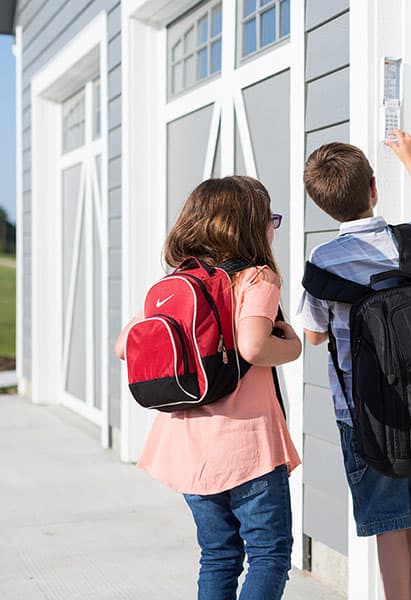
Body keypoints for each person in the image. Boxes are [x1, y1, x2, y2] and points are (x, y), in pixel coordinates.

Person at [114, 176, 302, 600]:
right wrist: (291, 347)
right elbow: (254, 346)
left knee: (218, 556)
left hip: (188, 449)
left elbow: (123, 347)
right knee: (269, 554)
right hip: (247, 445)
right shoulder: (256, 278)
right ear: (250, 226)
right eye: (270, 220)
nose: (273, 228)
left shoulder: (176, 284)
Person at [298, 130, 411, 600]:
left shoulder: (323, 261)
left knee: (389, 522)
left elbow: (314, 334)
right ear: (373, 188)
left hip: (363, 414)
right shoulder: (408, 240)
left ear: (323, 206)